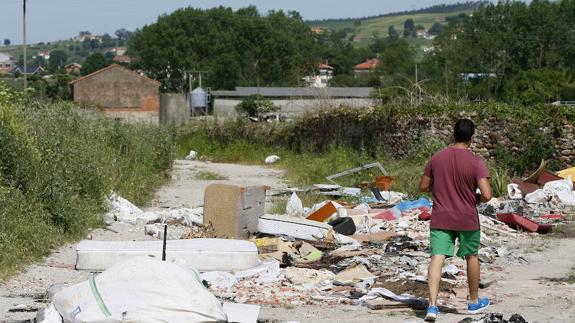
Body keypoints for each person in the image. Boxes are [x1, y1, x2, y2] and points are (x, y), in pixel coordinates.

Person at [419, 119, 492, 322]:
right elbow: (487, 195)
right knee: (471, 256)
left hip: (441, 216)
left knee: (437, 258)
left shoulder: (437, 158)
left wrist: (440, 188)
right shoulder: (475, 161)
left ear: (453, 134)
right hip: (467, 217)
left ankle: (432, 307)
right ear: (472, 137)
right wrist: (473, 197)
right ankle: (474, 302)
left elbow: (423, 186)